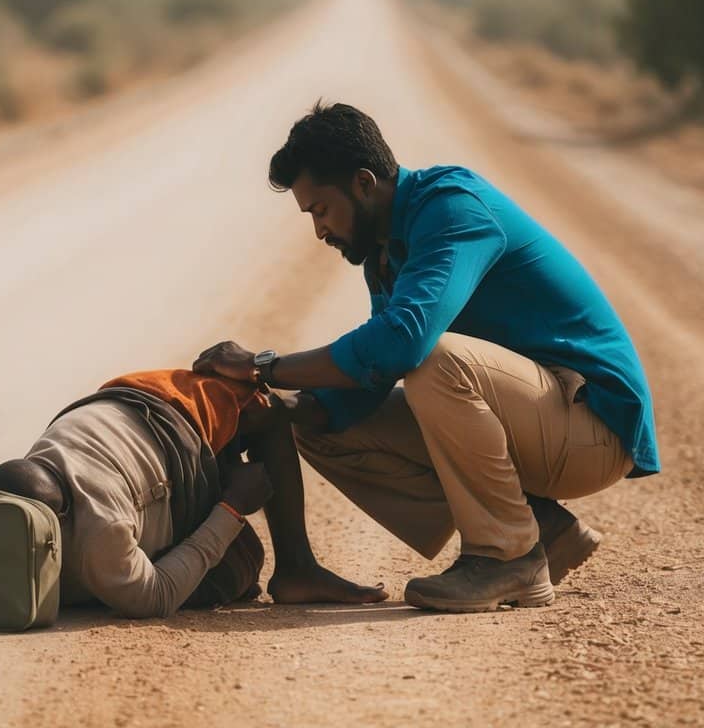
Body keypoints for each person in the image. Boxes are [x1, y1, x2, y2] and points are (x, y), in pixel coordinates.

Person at [193, 101, 660, 613]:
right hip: (539, 421)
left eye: (321, 211)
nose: (319, 231)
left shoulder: (452, 208)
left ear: (364, 183)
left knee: (434, 360)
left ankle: (508, 555)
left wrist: (263, 366)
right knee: (319, 423)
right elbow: (371, 375)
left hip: (593, 426)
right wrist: (283, 407)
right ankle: (540, 528)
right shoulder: (385, 251)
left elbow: (403, 342)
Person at [0, 368, 384, 619]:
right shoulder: (7, 515)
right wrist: (232, 508)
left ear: (63, 518)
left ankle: (297, 567)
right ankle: (241, 529)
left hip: (161, 405)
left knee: (263, 407)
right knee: (241, 568)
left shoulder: (99, 527)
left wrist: (231, 503)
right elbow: (157, 595)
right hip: (140, 439)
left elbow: (153, 595)